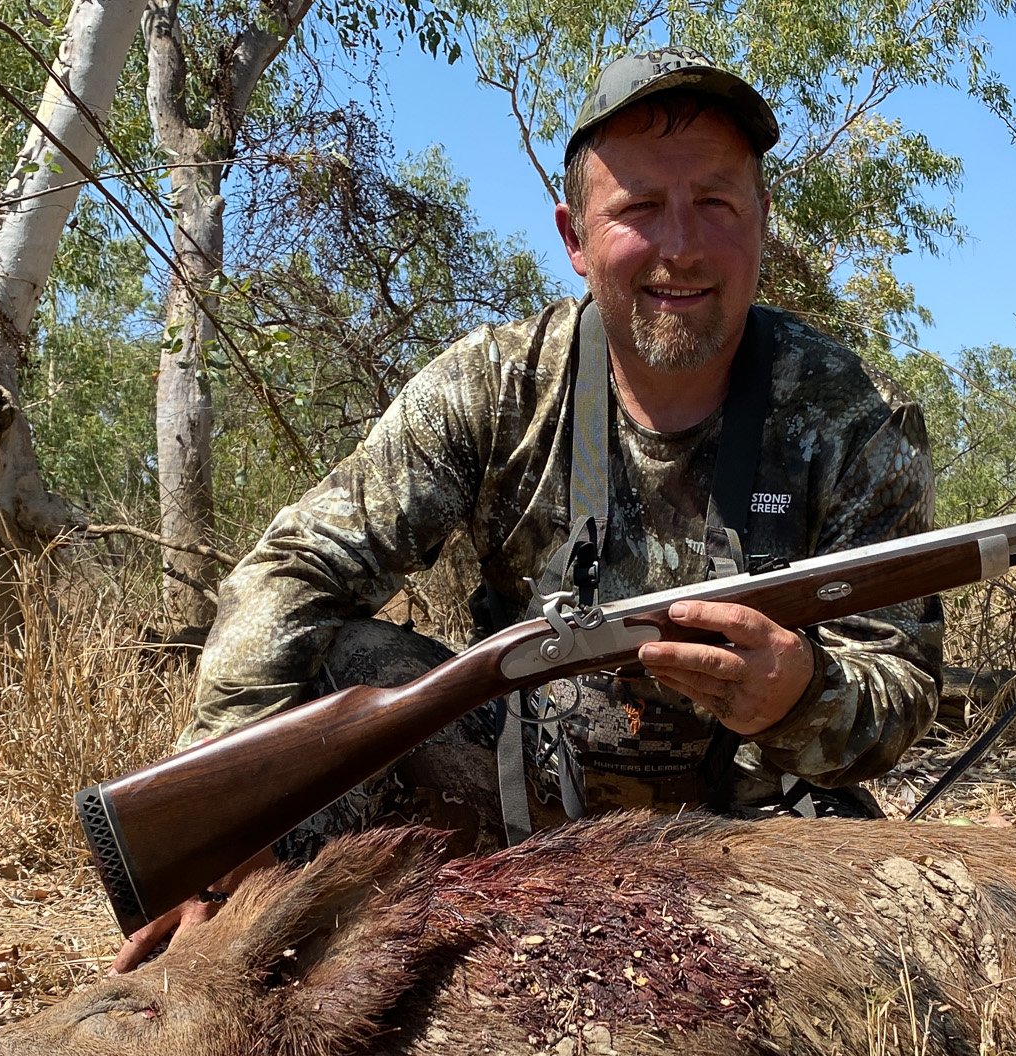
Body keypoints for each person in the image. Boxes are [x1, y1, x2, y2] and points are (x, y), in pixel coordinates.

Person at [113, 47, 943, 971]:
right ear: (574, 236)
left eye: (715, 202)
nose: (682, 245)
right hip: (507, 807)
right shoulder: (495, 385)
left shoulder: (850, 418)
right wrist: (227, 815)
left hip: (753, 839)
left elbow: (899, 688)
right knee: (342, 661)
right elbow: (297, 563)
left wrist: (802, 696)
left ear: (760, 220)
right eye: (638, 208)